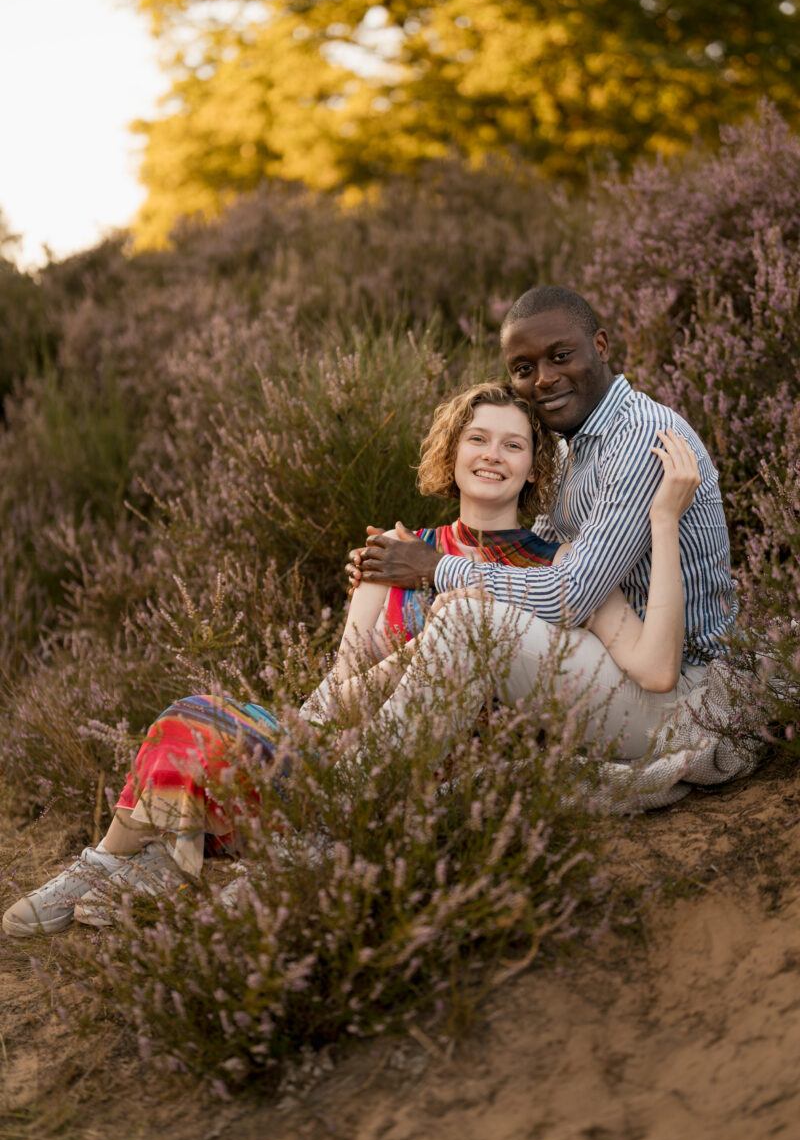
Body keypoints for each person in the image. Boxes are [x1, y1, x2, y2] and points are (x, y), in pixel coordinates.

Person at [2, 379, 698, 937]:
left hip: (447, 776)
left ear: (532, 468)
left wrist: (662, 520)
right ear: (450, 454)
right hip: (353, 746)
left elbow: (653, 667)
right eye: (477, 438)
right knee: (189, 721)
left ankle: (171, 865)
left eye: (513, 445)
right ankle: (106, 866)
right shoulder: (393, 552)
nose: (492, 454)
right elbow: (338, 688)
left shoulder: (564, 568)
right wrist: (302, 731)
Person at [347, 285, 736, 762]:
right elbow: (542, 557)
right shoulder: (577, 446)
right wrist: (402, 558)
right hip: (617, 662)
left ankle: (346, 793)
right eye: (524, 369)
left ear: (600, 346)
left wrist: (433, 568)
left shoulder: (638, 439)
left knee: (469, 623)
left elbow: (570, 595)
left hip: (681, 695)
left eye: (561, 356)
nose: (545, 380)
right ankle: (328, 761)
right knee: (461, 619)